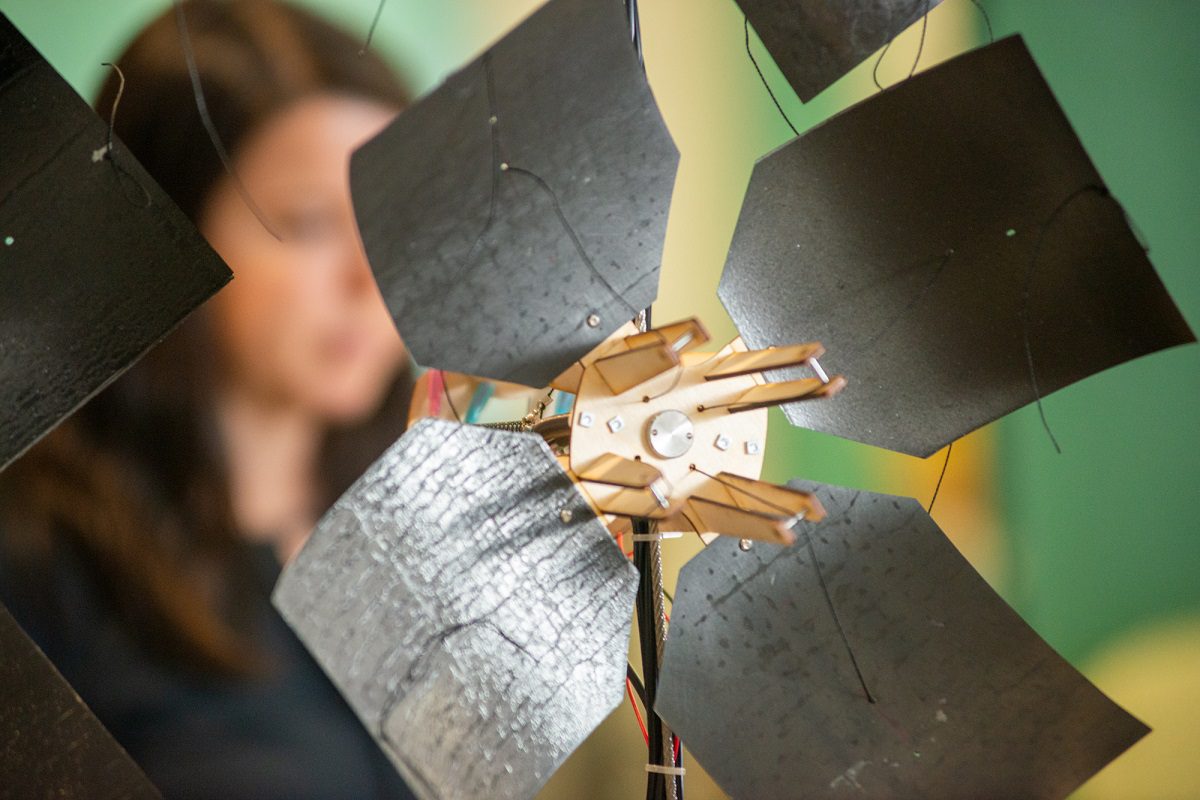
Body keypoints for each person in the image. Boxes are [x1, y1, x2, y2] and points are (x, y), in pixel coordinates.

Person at [0, 2, 416, 797]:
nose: (371, 277)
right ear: (161, 227)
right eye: (310, 221)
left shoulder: (419, 531)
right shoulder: (36, 567)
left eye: (394, 218)